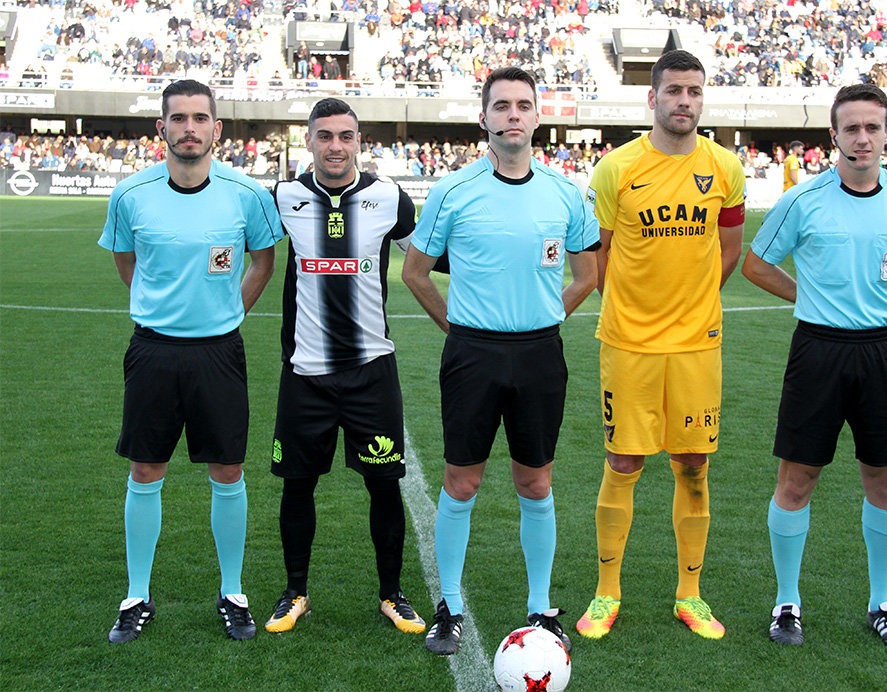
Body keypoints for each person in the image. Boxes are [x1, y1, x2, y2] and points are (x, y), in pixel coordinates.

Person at [741, 83, 887, 651]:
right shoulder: (803, 200)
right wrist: (809, 298)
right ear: (832, 135)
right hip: (817, 351)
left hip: (885, 352)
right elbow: (755, 264)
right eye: (851, 128)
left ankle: (883, 604)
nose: (862, 138)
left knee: (884, 480)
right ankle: (787, 603)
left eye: (872, 127)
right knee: (797, 478)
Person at [402, 66, 599, 656]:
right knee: (462, 481)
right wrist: (455, 327)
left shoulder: (565, 193)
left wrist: (549, 315)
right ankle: (451, 605)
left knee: (535, 480)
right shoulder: (452, 192)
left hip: (540, 354)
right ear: (484, 118)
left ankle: (541, 606)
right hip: (473, 354)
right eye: (502, 106)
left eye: (523, 105)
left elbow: (589, 273)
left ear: (537, 116)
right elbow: (415, 272)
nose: (513, 114)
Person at [99, 79, 283, 643]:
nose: (189, 129)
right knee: (145, 470)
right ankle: (136, 596)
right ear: (162, 128)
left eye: (199, 118)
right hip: (153, 350)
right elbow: (128, 264)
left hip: (219, 352)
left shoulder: (245, 193)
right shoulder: (131, 194)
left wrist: (228, 314)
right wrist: (163, 308)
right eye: (177, 119)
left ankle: (233, 592)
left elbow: (263, 262)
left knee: (227, 471)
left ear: (216, 129)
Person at [575, 49, 746, 642]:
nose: (684, 101)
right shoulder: (616, 170)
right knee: (624, 462)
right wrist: (629, 310)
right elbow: (595, 253)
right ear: (653, 98)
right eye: (673, 91)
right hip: (628, 344)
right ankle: (606, 593)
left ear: (702, 98)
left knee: (693, 465)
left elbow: (730, 250)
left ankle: (690, 595)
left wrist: (694, 302)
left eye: (694, 92)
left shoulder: (725, 167)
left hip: (698, 345)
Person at [263, 97, 426, 637]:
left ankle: (392, 595)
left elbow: (427, 256)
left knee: (384, 487)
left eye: (346, 136)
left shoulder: (388, 197)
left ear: (360, 141)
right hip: (305, 373)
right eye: (326, 135)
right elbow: (246, 250)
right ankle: (295, 592)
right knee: (297, 485)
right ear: (308, 140)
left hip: (371, 372)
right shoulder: (283, 197)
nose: (336, 145)